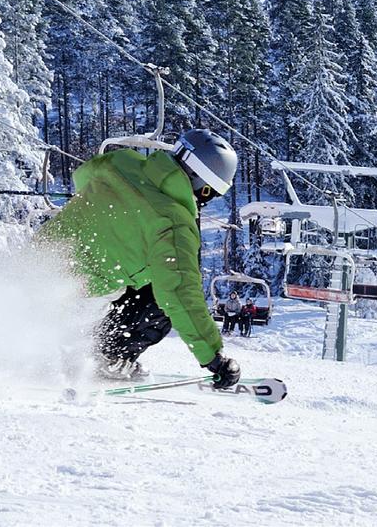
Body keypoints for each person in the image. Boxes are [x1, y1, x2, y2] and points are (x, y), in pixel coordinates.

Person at [38, 128, 241, 389]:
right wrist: (214, 359)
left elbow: (83, 177)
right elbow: (179, 293)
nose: (206, 202)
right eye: (210, 194)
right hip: (75, 288)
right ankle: (108, 357)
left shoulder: (119, 163)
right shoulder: (173, 221)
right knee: (160, 299)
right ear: (202, 186)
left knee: (141, 281)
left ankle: (67, 350)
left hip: (38, 260)